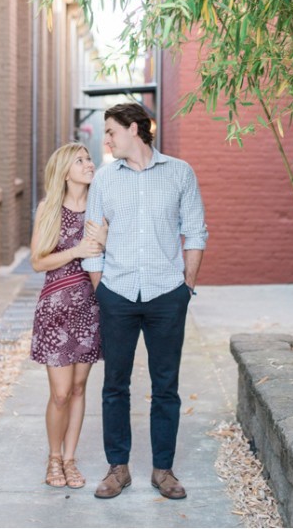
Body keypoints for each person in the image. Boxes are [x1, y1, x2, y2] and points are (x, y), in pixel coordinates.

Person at [82, 102, 207, 501]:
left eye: (111, 132)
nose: (107, 140)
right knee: (114, 385)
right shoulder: (104, 179)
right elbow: (93, 238)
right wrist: (100, 286)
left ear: (134, 129)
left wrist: (185, 287)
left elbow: (196, 232)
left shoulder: (179, 173)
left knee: (165, 386)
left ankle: (162, 469)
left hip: (166, 295)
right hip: (117, 293)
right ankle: (118, 468)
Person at [29, 143, 107, 490]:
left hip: (89, 309)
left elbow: (109, 252)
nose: (89, 164)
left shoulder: (99, 207)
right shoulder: (49, 209)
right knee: (60, 392)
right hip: (56, 310)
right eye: (80, 160)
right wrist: (76, 250)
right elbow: (37, 261)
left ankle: (71, 459)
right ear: (64, 171)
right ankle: (53, 457)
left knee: (78, 388)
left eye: (89, 158)